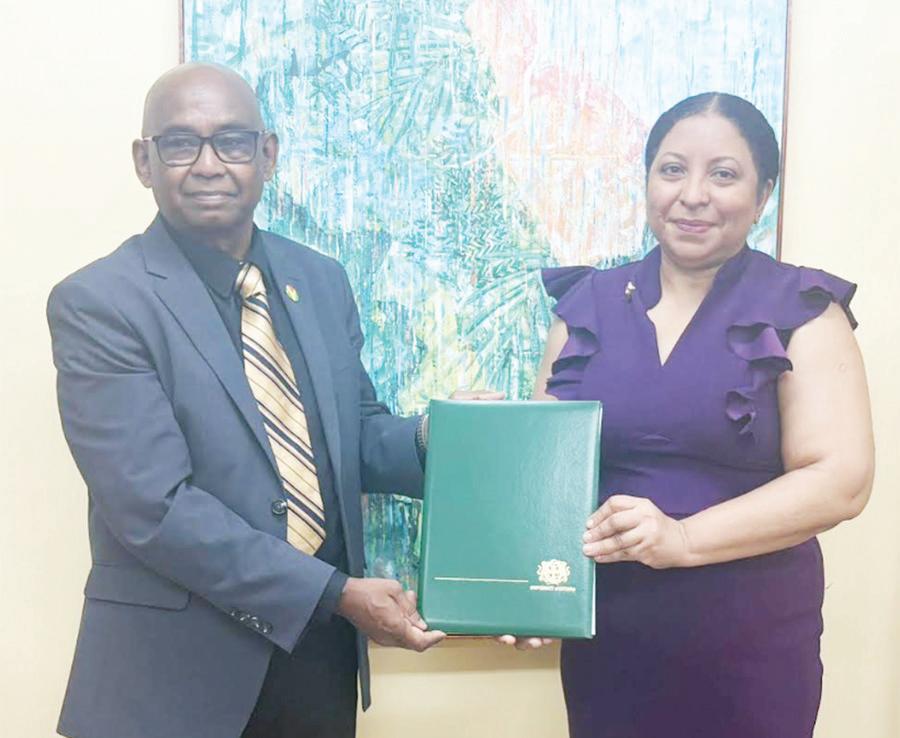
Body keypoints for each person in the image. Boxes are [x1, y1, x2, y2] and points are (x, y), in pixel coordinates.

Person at [47, 63, 491, 738]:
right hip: (170, 680)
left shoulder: (320, 279)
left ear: (268, 155)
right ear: (144, 161)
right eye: (180, 143)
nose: (208, 165)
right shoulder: (100, 302)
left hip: (316, 665)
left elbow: (353, 437)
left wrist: (441, 436)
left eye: (231, 141)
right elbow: (155, 508)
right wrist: (335, 593)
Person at [523, 92, 874, 737]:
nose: (692, 195)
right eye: (672, 169)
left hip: (752, 643)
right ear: (648, 181)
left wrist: (681, 540)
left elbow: (841, 481)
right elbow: (546, 474)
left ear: (762, 195)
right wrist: (524, 590)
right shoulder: (586, 305)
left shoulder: (803, 308)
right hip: (612, 640)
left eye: (724, 174)